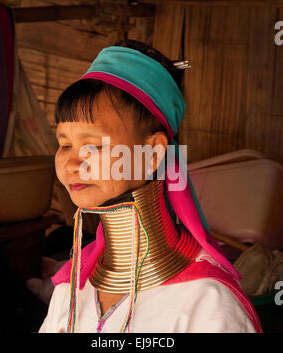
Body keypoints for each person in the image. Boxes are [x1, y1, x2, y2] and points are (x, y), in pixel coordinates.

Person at [39, 40, 262, 333]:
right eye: (64, 144)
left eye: (92, 145)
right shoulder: (71, 288)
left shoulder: (207, 303)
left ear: (152, 153)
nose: (70, 162)